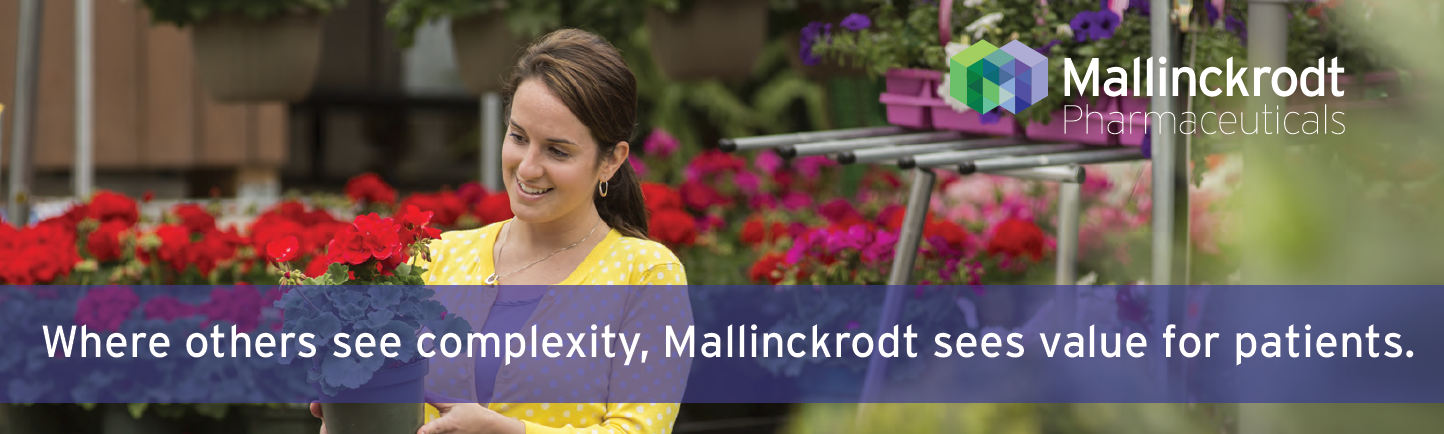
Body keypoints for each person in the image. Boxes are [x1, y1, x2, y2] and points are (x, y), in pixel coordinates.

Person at [311, 28, 693, 434]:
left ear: (611, 161)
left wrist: (505, 431)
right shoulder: (437, 257)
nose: (527, 167)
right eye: (518, 136)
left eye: (557, 150)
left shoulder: (646, 275)